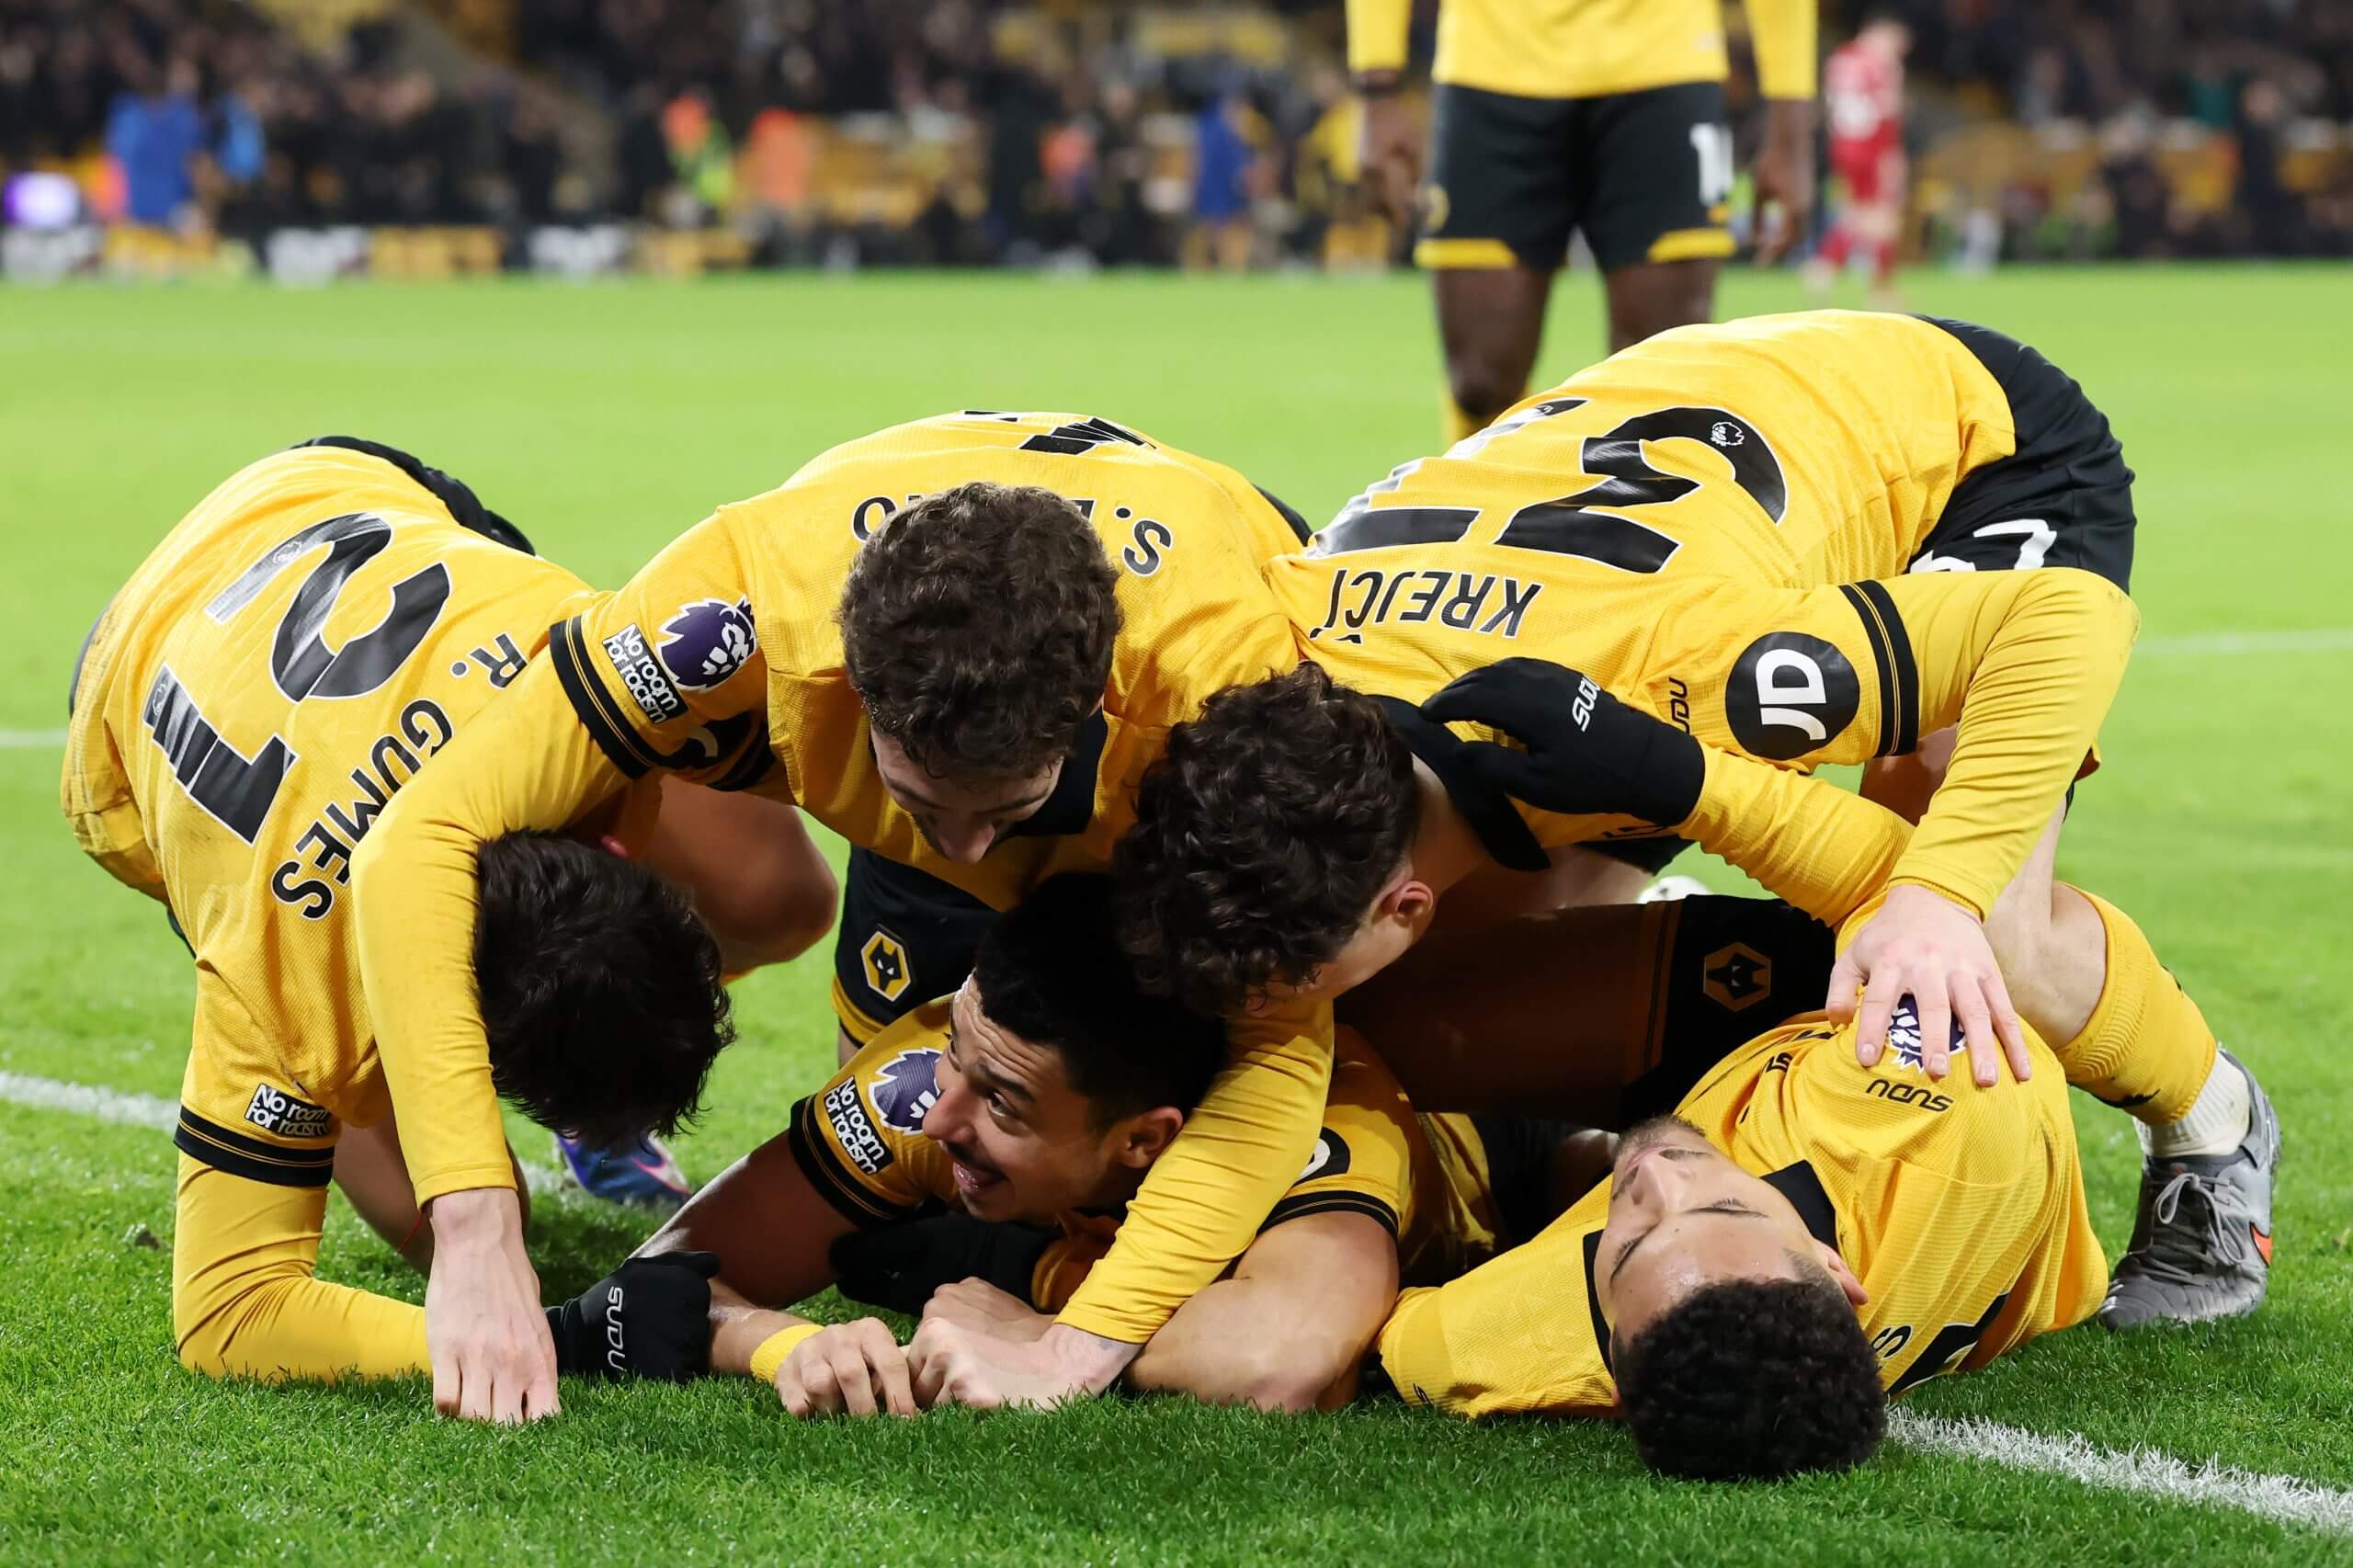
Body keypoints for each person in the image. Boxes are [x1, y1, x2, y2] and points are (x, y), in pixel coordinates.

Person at [1118, 311, 2276, 1327]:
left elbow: (2057, 621)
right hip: (1654, 469)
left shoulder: (1691, 671)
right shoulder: (1275, 671)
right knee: (1451, 987)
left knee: (1971, 940)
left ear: (1400, 900)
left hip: (1957, 449)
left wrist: (1933, 895)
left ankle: (2212, 1129)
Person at [348, 414, 1332, 1418]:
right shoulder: (739, 601)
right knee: (923, 1157)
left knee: (1190, 1059)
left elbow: (1287, 1036)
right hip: (916, 714)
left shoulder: (1221, 700)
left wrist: (1074, 1345)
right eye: (916, 802)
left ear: (1089, 712)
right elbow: (412, 840)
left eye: (1004, 811)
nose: (964, 858)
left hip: (1158, 804)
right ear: (852, 690)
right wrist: (475, 1224)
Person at [60, 437, 833, 1417]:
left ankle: (582, 1091)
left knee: (785, 898)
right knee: (446, 1242)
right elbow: (230, 1310)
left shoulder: (584, 690)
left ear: (618, 848)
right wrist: (549, 1332)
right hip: (131, 668)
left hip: (332, 491)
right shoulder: (294, 988)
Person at [639, 875, 1797, 1415]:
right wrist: (774, 1343)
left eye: (998, 1102)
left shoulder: (1315, 1131)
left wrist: (1040, 1303)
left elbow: (1279, 1360)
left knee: (1600, 1186)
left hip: (1493, 1152)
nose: (942, 1118)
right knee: (896, 1245)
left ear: (1152, 1141)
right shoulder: (937, 1078)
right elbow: (671, 1271)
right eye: (957, 1061)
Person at [1370, 900, 2274, 1480]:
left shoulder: (1498, 1340)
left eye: (1629, 1239)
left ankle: (1533, 1147)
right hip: (1833, 1008)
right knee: (1992, 918)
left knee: (1368, 1009)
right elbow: (1924, 880)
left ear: (1604, 1367)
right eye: (1725, 1206)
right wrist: (1695, 781)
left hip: (1728, 1083)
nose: (1650, 1179)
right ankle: (2212, 1113)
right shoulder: (1941, 1115)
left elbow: (1355, 1335)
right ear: (1835, 1271)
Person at [1347, 0, 1819, 445]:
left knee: (1662, 382)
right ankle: (1487, 526)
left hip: (1665, 65)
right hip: (1489, 64)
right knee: (1480, 383)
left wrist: (1791, 124)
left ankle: (1641, 529)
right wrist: (1376, 85)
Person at [1806, 14, 1912, 309]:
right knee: (1883, 216)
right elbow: (1887, 113)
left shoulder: (1841, 59)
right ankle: (1870, 284)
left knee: (1860, 214)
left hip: (1843, 146)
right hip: (1872, 147)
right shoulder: (1881, 63)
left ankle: (1826, 269)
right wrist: (1892, 156)